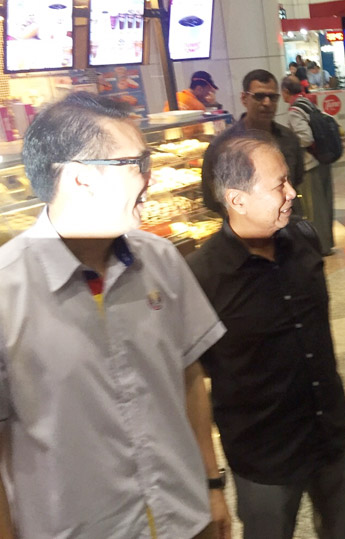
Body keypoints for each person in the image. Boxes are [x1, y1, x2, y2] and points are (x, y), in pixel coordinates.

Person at [0, 92, 231, 538]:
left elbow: (188, 377)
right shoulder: (8, 291)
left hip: (184, 518)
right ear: (81, 178)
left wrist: (211, 485)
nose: (151, 175)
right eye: (137, 163)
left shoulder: (161, 259)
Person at [189, 131, 345, 539]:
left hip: (330, 438)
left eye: (289, 180)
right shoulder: (201, 277)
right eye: (279, 185)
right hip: (264, 461)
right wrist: (211, 483)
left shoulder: (303, 239)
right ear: (236, 199)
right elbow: (190, 387)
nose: (292, 192)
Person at [202, 69, 305, 215]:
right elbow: (212, 199)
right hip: (244, 233)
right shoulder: (222, 146)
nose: (267, 103)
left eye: (273, 97)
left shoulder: (288, 139)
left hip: (287, 227)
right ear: (244, 98)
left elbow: (297, 179)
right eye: (259, 96)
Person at [281, 75, 335, 254]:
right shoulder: (308, 103)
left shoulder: (294, 110)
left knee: (315, 207)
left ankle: (322, 246)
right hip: (323, 159)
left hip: (310, 164)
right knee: (325, 204)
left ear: (286, 91)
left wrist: (290, 142)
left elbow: (305, 137)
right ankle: (328, 241)